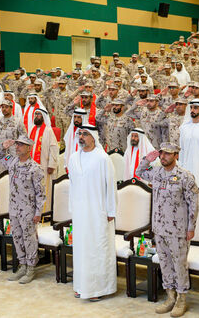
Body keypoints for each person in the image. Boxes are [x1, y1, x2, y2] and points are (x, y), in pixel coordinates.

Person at [136, 143, 198, 317]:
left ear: (176, 155)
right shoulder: (156, 173)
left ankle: (181, 299)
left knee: (179, 264)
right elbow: (139, 173)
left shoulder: (185, 176)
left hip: (178, 229)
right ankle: (170, 296)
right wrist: (147, 159)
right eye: (161, 153)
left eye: (167, 154)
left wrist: (191, 227)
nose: (163, 156)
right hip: (159, 228)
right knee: (164, 262)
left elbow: (194, 204)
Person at [66, 124, 117, 301]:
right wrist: (72, 207)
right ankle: (82, 286)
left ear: (93, 137)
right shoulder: (73, 158)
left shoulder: (102, 158)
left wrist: (111, 210)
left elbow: (110, 186)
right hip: (80, 212)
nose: (81, 137)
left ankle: (98, 289)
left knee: (97, 249)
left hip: (98, 211)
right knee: (81, 249)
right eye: (79, 134)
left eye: (85, 134)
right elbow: (72, 185)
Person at [0, 137, 46, 284]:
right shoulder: (12, 162)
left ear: (29, 148)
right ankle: (22, 265)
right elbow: (0, 157)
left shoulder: (35, 168)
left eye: (21, 145)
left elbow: (40, 193)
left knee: (29, 238)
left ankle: (31, 268)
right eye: (17, 144)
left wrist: (38, 212)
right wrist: (3, 146)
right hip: (14, 208)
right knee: (17, 237)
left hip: (28, 210)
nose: (17, 147)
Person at [27, 108, 59, 212]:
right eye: (35, 114)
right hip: (31, 165)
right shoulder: (32, 130)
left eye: (39, 114)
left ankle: (44, 212)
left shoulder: (48, 130)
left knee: (43, 188)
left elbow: (54, 148)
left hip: (44, 165)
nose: (36, 116)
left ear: (44, 117)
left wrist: (52, 165)